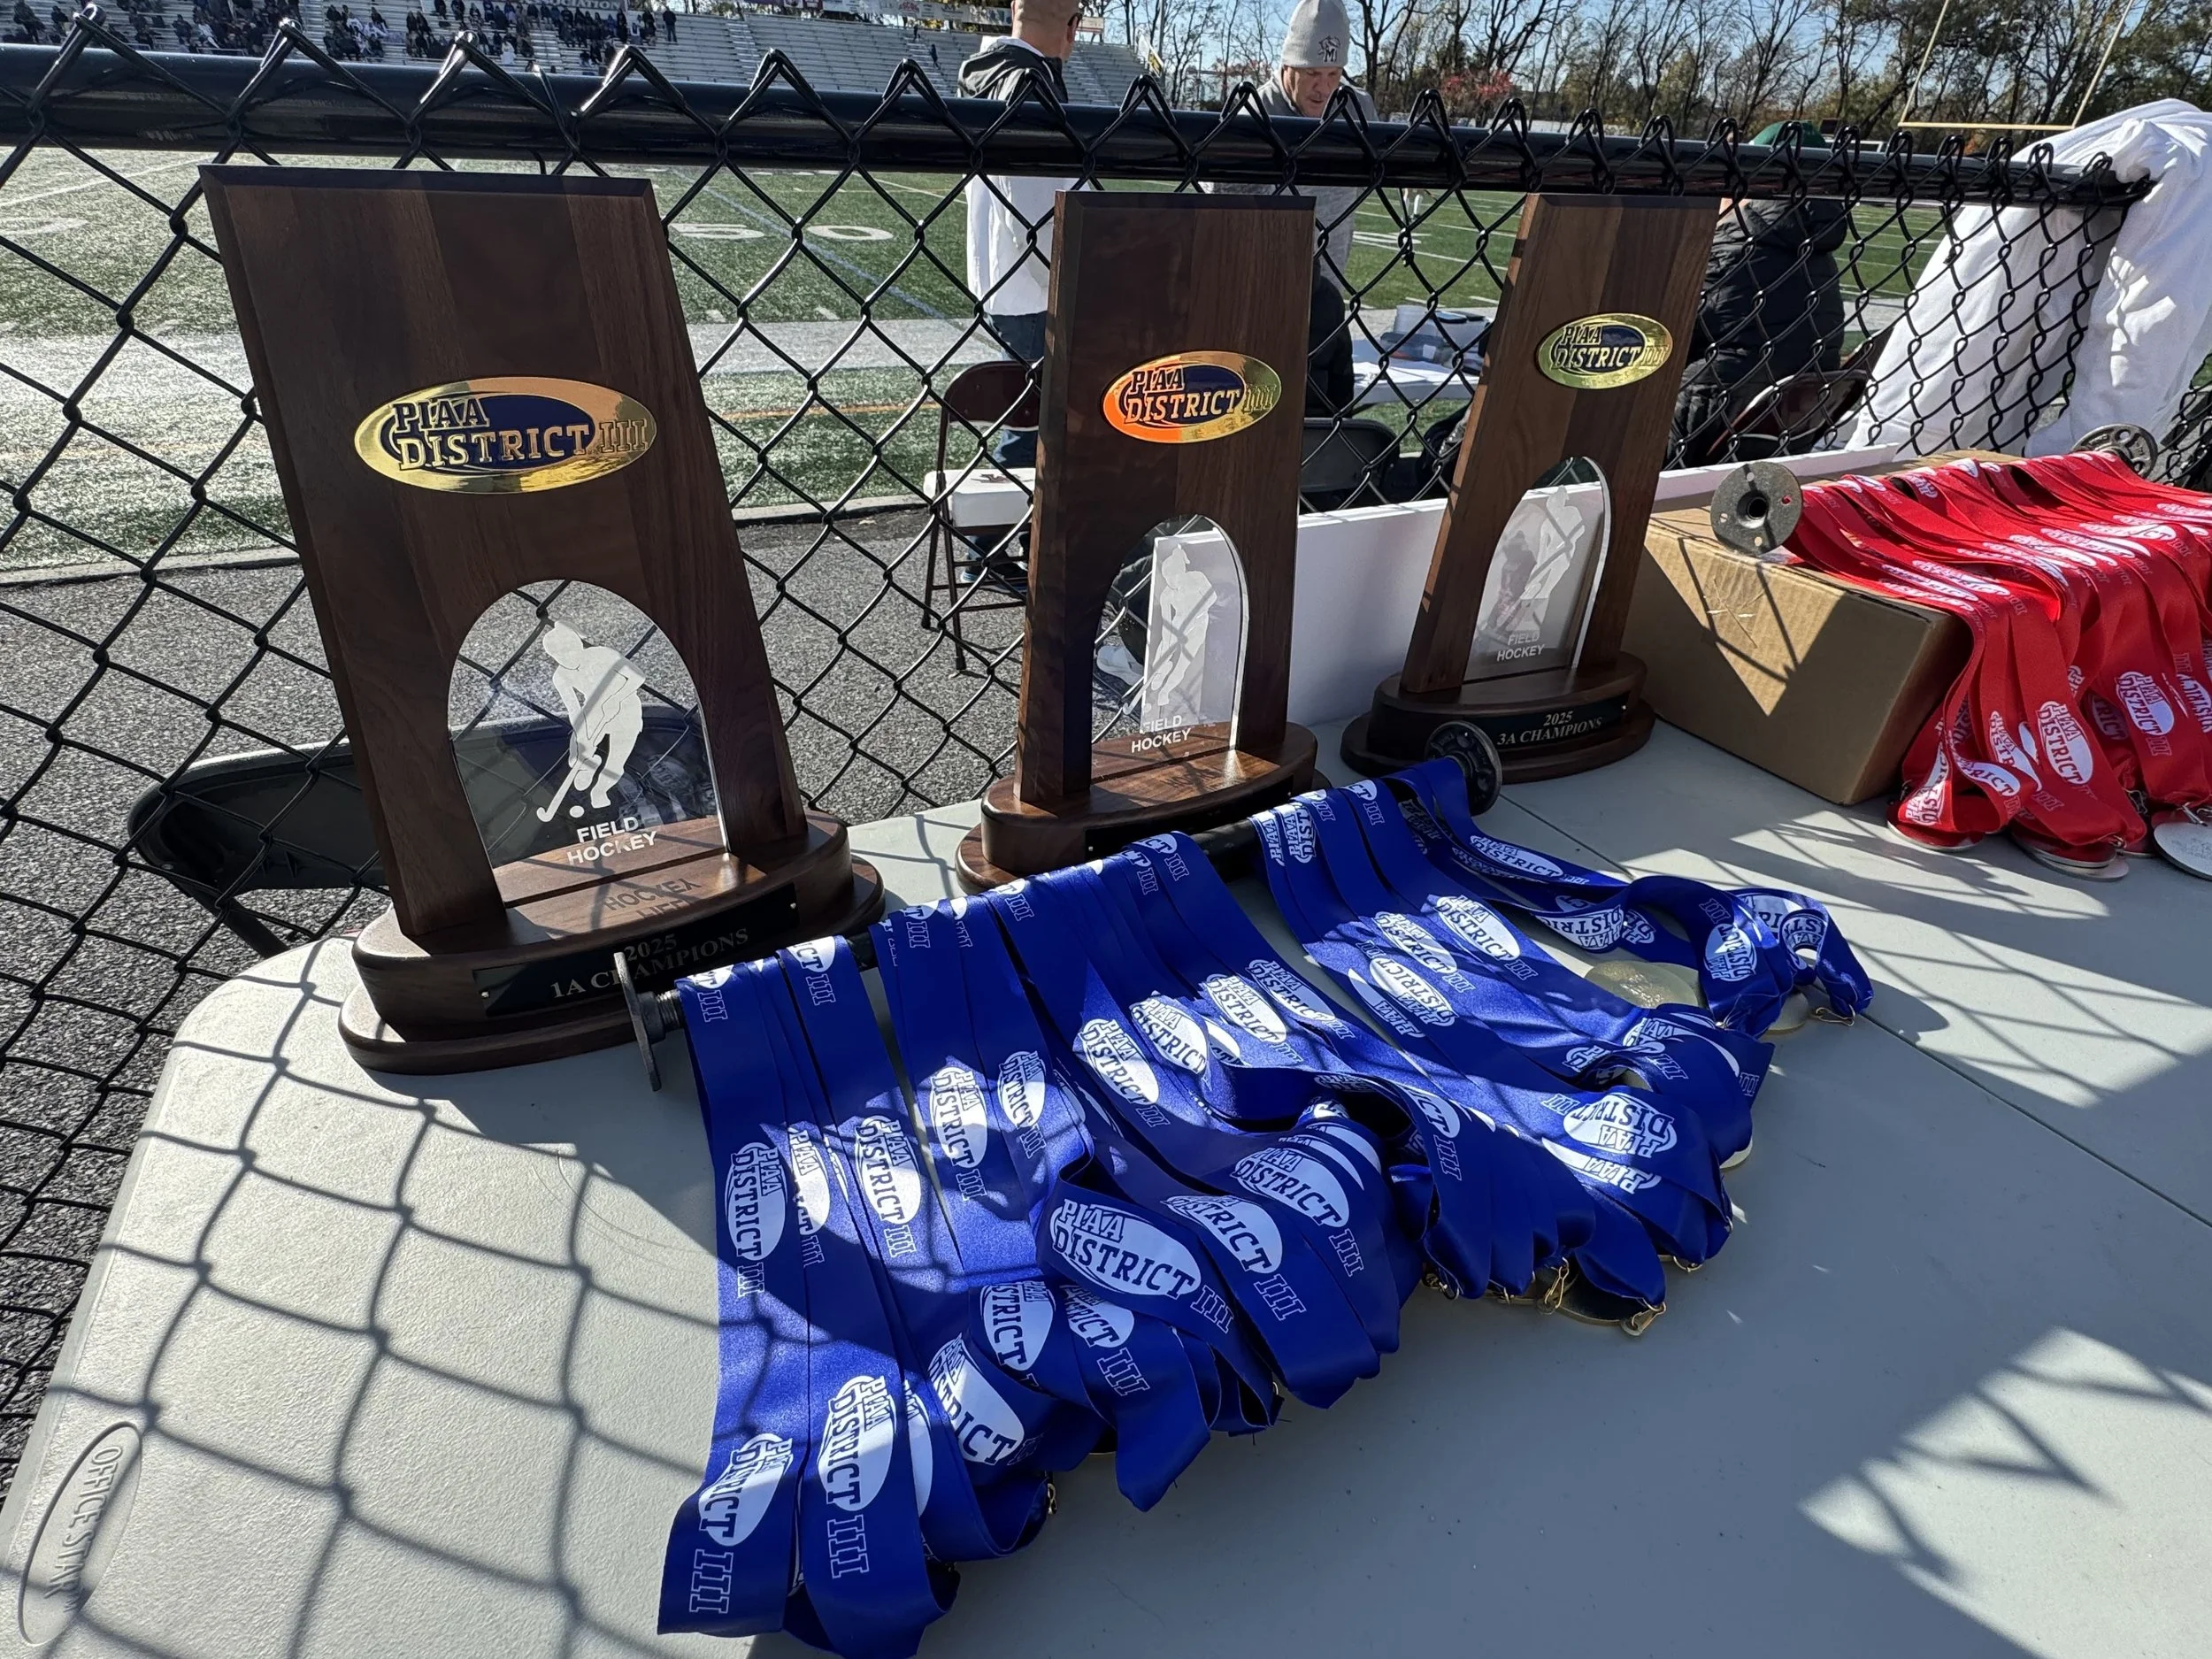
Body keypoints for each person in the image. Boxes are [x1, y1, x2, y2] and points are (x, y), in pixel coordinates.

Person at [958, 0, 1079, 470]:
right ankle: (993, 541)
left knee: (1027, 422)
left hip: (1003, 280)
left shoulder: (990, 74)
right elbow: (1035, 216)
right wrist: (1068, 287)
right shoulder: (1029, 85)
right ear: (1072, 28)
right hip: (1034, 291)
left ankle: (998, 536)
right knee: (1034, 432)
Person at [1671, 187, 1851, 465]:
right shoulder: (1820, 259)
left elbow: (1668, 339)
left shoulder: (1727, 248)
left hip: (1703, 422)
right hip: (1785, 431)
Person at [1209, 0, 1378, 296]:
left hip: (1330, 285)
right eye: (1312, 73)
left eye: (1333, 74)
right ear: (1288, 65)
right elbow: (1218, 218)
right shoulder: (1253, 115)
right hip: (1257, 285)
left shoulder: (1355, 108)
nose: (1324, 88)